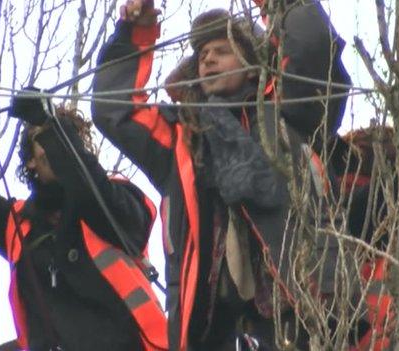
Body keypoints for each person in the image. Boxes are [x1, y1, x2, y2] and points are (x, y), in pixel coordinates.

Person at [92, 0, 351, 350]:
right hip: (210, 322)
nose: (208, 59)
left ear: (251, 68)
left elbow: (311, 49)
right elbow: (114, 110)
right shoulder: (181, 137)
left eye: (222, 51)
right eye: (202, 55)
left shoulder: (288, 113)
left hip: (302, 303)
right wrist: (133, 34)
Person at [0, 91, 168, 351]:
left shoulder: (119, 200)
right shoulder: (20, 223)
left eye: (66, 139)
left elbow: (89, 192)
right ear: (31, 160)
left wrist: (52, 128)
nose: (55, 147)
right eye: (42, 139)